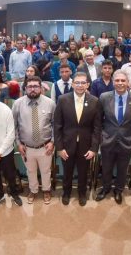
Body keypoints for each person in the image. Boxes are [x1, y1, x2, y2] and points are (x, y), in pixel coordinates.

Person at [95, 70, 131, 204]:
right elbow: (98, 120)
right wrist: (101, 138)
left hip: (127, 142)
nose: (120, 83)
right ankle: (105, 188)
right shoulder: (104, 97)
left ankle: (118, 190)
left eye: (123, 80)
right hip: (107, 140)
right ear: (113, 82)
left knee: (122, 169)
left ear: (128, 83)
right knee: (106, 167)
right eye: (117, 80)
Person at [54, 72, 101, 206]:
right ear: (73, 84)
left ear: (87, 84)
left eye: (83, 83)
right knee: (67, 171)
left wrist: (94, 148)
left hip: (86, 145)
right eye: (77, 83)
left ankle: (82, 193)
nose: (80, 85)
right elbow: (57, 126)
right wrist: (59, 147)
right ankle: (66, 192)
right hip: (67, 144)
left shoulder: (95, 101)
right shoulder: (63, 99)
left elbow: (97, 127)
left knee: (83, 171)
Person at [12, 76, 56, 205]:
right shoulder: (18, 104)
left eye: (36, 86)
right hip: (26, 147)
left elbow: (55, 125)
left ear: (41, 88)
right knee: (30, 171)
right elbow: (13, 126)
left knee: (46, 171)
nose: (33, 89)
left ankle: (46, 190)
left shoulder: (50, 103)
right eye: (30, 87)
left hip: (45, 146)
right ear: (25, 88)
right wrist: (18, 144)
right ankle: (33, 190)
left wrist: (52, 142)